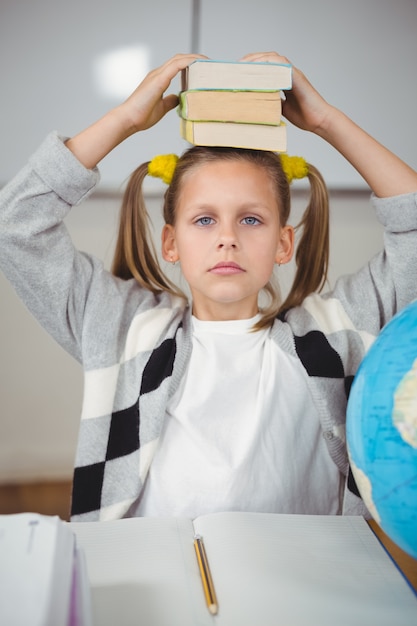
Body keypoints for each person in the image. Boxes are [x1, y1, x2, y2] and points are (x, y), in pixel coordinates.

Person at [0, 52, 416, 523]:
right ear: (171, 242)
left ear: (284, 244)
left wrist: (326, 122)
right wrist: (124, 120)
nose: (227, 237)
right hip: (155, 573)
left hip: (301, 577)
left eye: (251, 219)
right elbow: (16, 224)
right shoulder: (121, 328)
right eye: (204, 219)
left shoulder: (336, 333)